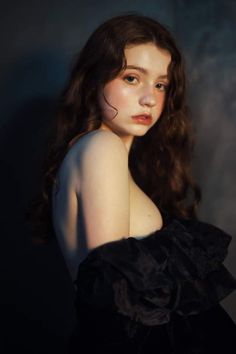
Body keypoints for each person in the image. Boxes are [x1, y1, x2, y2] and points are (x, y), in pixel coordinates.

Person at [29, 14, 236, 353]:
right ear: (95, 79)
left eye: (161, 84)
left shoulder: (94, 151)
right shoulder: (101, 147)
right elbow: (112, 300)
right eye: (131, 78)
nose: (150, 99)